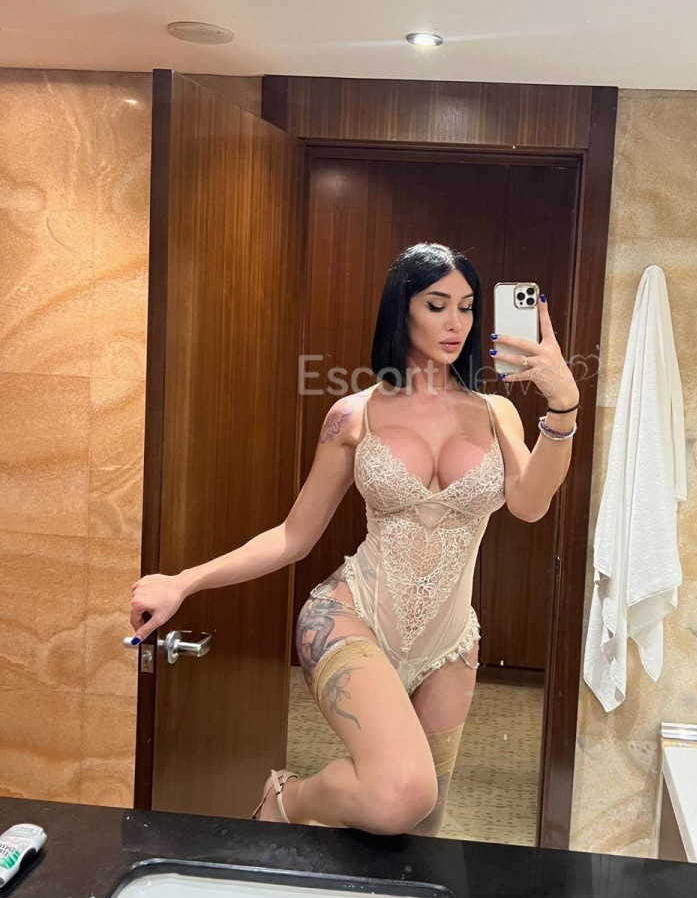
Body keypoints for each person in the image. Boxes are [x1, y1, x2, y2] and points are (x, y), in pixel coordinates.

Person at [129, 242, 580, 837]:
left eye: (468, 307)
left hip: (449, 646)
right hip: (348, 617)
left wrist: (564, 407)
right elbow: (293, 535)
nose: (455, 323)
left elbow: (529, 504)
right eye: (436, 305)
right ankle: (289, 798)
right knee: (402, 792)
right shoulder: (353, 415)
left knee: (420, 827)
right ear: (402, 309)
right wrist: (184, 582)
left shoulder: (497, 413)